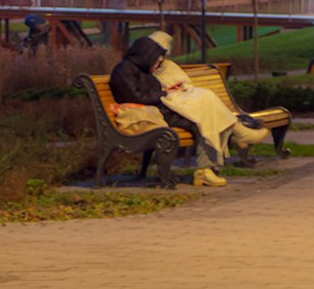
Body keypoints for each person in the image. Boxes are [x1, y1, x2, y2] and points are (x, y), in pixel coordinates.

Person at [110, 31, 267, 187]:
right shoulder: (123, 71)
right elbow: (138, 98)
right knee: (202, 117)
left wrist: (170, 90)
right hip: (150, 114)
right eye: (156, 61)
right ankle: (232, 141)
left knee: (206, 104)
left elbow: (150, 92)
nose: (158, 64)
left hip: (161, 108)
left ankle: (211, 165)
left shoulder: (141, 69)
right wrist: (164, 93)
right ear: (146, 55)